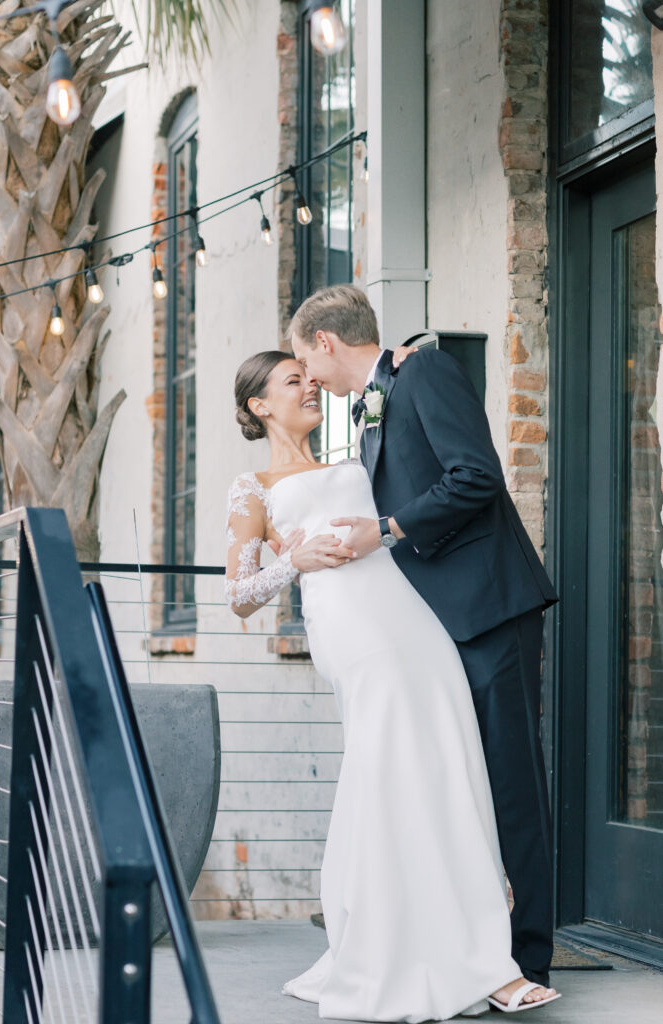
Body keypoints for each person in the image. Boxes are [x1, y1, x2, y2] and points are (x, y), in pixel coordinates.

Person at [224, 348, 560, 1021]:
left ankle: (479, 949)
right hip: (355, 634)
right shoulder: (251, 489)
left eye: (311, 374)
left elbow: (422, 501)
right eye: (294, 382)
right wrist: (291, 560)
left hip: (418, 624)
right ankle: (422, 953)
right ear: (260, 405)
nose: (311, 386)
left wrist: (404, 361)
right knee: (393, 772)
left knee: (450, 773)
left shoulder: (360, 460)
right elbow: (238, 595)